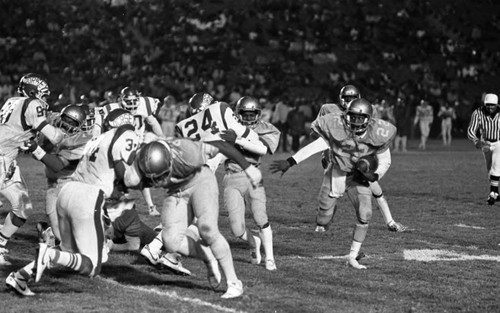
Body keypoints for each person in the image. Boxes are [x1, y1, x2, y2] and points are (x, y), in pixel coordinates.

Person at [5, 109, 141, 296]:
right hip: (85, 197)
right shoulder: (114, 138)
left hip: (68, 192)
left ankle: (21, 276)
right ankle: (50, 251)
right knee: (95, 264)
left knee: (66, 248)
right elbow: (123, 176)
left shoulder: (93, 141)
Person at [128, 137, 262, 299]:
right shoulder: (142, 160)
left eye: (162, 175)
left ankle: (234, 283)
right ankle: (208, 257)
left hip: (200, 181)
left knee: (208, 230)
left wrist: (248, 168)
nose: (159, 181)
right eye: (154, 177)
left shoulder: (187, 151)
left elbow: (221, 145)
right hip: (177, 191)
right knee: (170, 241)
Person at [270, 98, 396, 269]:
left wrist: (374, 175)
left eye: (360, 118)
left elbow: (385, 161)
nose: (355, 121)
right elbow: (316, 146)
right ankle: (326, 215)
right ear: (346, 115)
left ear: (369, 119)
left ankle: (352, 256)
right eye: (352, 117)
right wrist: (291, 161)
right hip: (336, 172)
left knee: (365, 213)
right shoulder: (336, 126)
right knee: (323, 218)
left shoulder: (378, 132)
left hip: (358, 176)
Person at [315, 85, 406, 233]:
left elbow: (370, 131)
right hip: (339, 157)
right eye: (347, 98)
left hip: (360, 156)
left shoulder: (366, 109)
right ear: (341, 98)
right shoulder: (328, 109)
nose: (349, 101)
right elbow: (323, 134)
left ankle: (390, 221)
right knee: (332, 190)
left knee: (374, 187)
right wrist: (327, 151)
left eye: (352, 98)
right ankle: (322, 222)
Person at [0, 73, 64, 265]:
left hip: (7, 160)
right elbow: (55, 137)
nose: (45, 99)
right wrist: (65, 130)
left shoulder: (13, 101)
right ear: (32, 92)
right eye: (42, 95)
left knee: (23, 207)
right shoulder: (32, 104)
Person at [219, 96, 281, 271]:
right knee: (236, 229)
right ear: (238, 115)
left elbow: (262, 149)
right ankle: (254, 242)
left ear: (258, 114)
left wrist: (237, 140)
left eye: (251, 115)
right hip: (231, 176)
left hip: (253, 176)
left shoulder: (264, 129)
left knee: (261, 217)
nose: (248, 119)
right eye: (244, 115)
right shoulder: (230, 127)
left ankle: (270, 257)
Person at [95, 87, 163, 216]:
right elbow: (98, 119)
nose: (132, 105)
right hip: (118, 145)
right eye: (128, 101)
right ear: (121, 100)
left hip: (136, 143)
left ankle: (150, 206)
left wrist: (162, 137)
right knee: (115, 174)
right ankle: (122, 200)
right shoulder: (111, 108)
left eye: (134, 101)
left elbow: (153, 122)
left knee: (141, 173)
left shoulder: (145, 104)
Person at [33, 104, 91, 246]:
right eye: (65, 119)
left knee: (76, 232)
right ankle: (49, 231)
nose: (66, 125)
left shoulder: (80, 141)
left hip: (73, 182)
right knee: (59, 232)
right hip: (53, 182)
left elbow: (57, 165)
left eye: (72, 123)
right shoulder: (51, 119)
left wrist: (35, 148)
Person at [104, 199, 191, 276]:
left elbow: (134, 245)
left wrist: (113, 246)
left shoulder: (125, 216)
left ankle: (161, 236)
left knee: (173, 243)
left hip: (142, 236)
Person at [467, 93, 500, 205]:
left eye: (492, 105)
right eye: (488, 105)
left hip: (499, 142)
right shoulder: (478, 113)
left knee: (496, 164)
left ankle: (492, 193)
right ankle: (496, 192)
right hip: (485, 143)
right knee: (490, 169)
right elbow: (471, 130)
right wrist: (476, 141)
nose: (490, 107)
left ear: (497, 104)